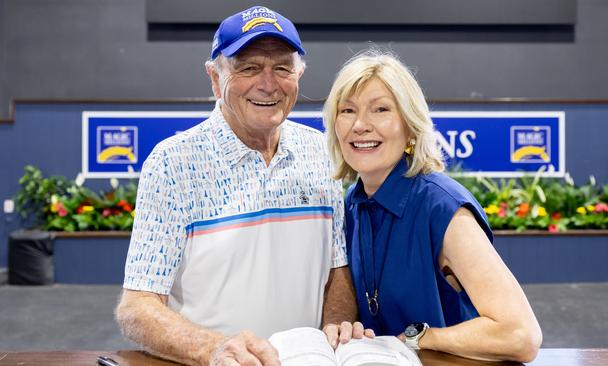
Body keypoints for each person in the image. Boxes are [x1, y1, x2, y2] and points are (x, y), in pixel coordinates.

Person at [115, 6, 369, 366]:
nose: (268, 83)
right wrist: (212, 349)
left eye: (282, 67)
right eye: (248, 67)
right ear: (215, 78)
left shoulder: (321, 152)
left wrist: (335, 327)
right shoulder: (174, 163)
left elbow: (336, 267)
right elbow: (137, 307)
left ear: (299, 75)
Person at [322, 50, 543, 362]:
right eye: (347, 111)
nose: (360, 125)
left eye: (380, 109)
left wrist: (419, 337)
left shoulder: (441, 207)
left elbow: (520, 334)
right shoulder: (354, 205)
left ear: (410, 127)